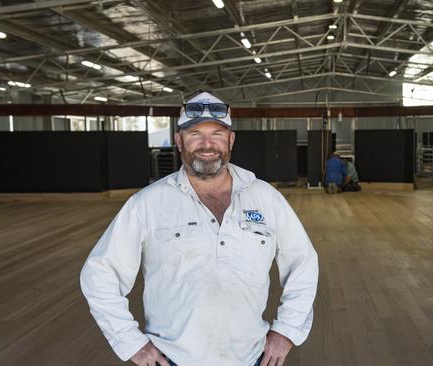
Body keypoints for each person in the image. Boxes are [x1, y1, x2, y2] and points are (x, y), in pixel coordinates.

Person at [80, 91, 319, 366]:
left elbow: (303, 262)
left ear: (230, 139)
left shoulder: (266, 198)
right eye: (195, 133)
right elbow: (99, 275)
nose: (207, 144)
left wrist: (286, 331)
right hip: (172, 359)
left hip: (252, 358)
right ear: (179, 140)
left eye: (217, 133)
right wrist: (132, 343)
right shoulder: (147, 204)